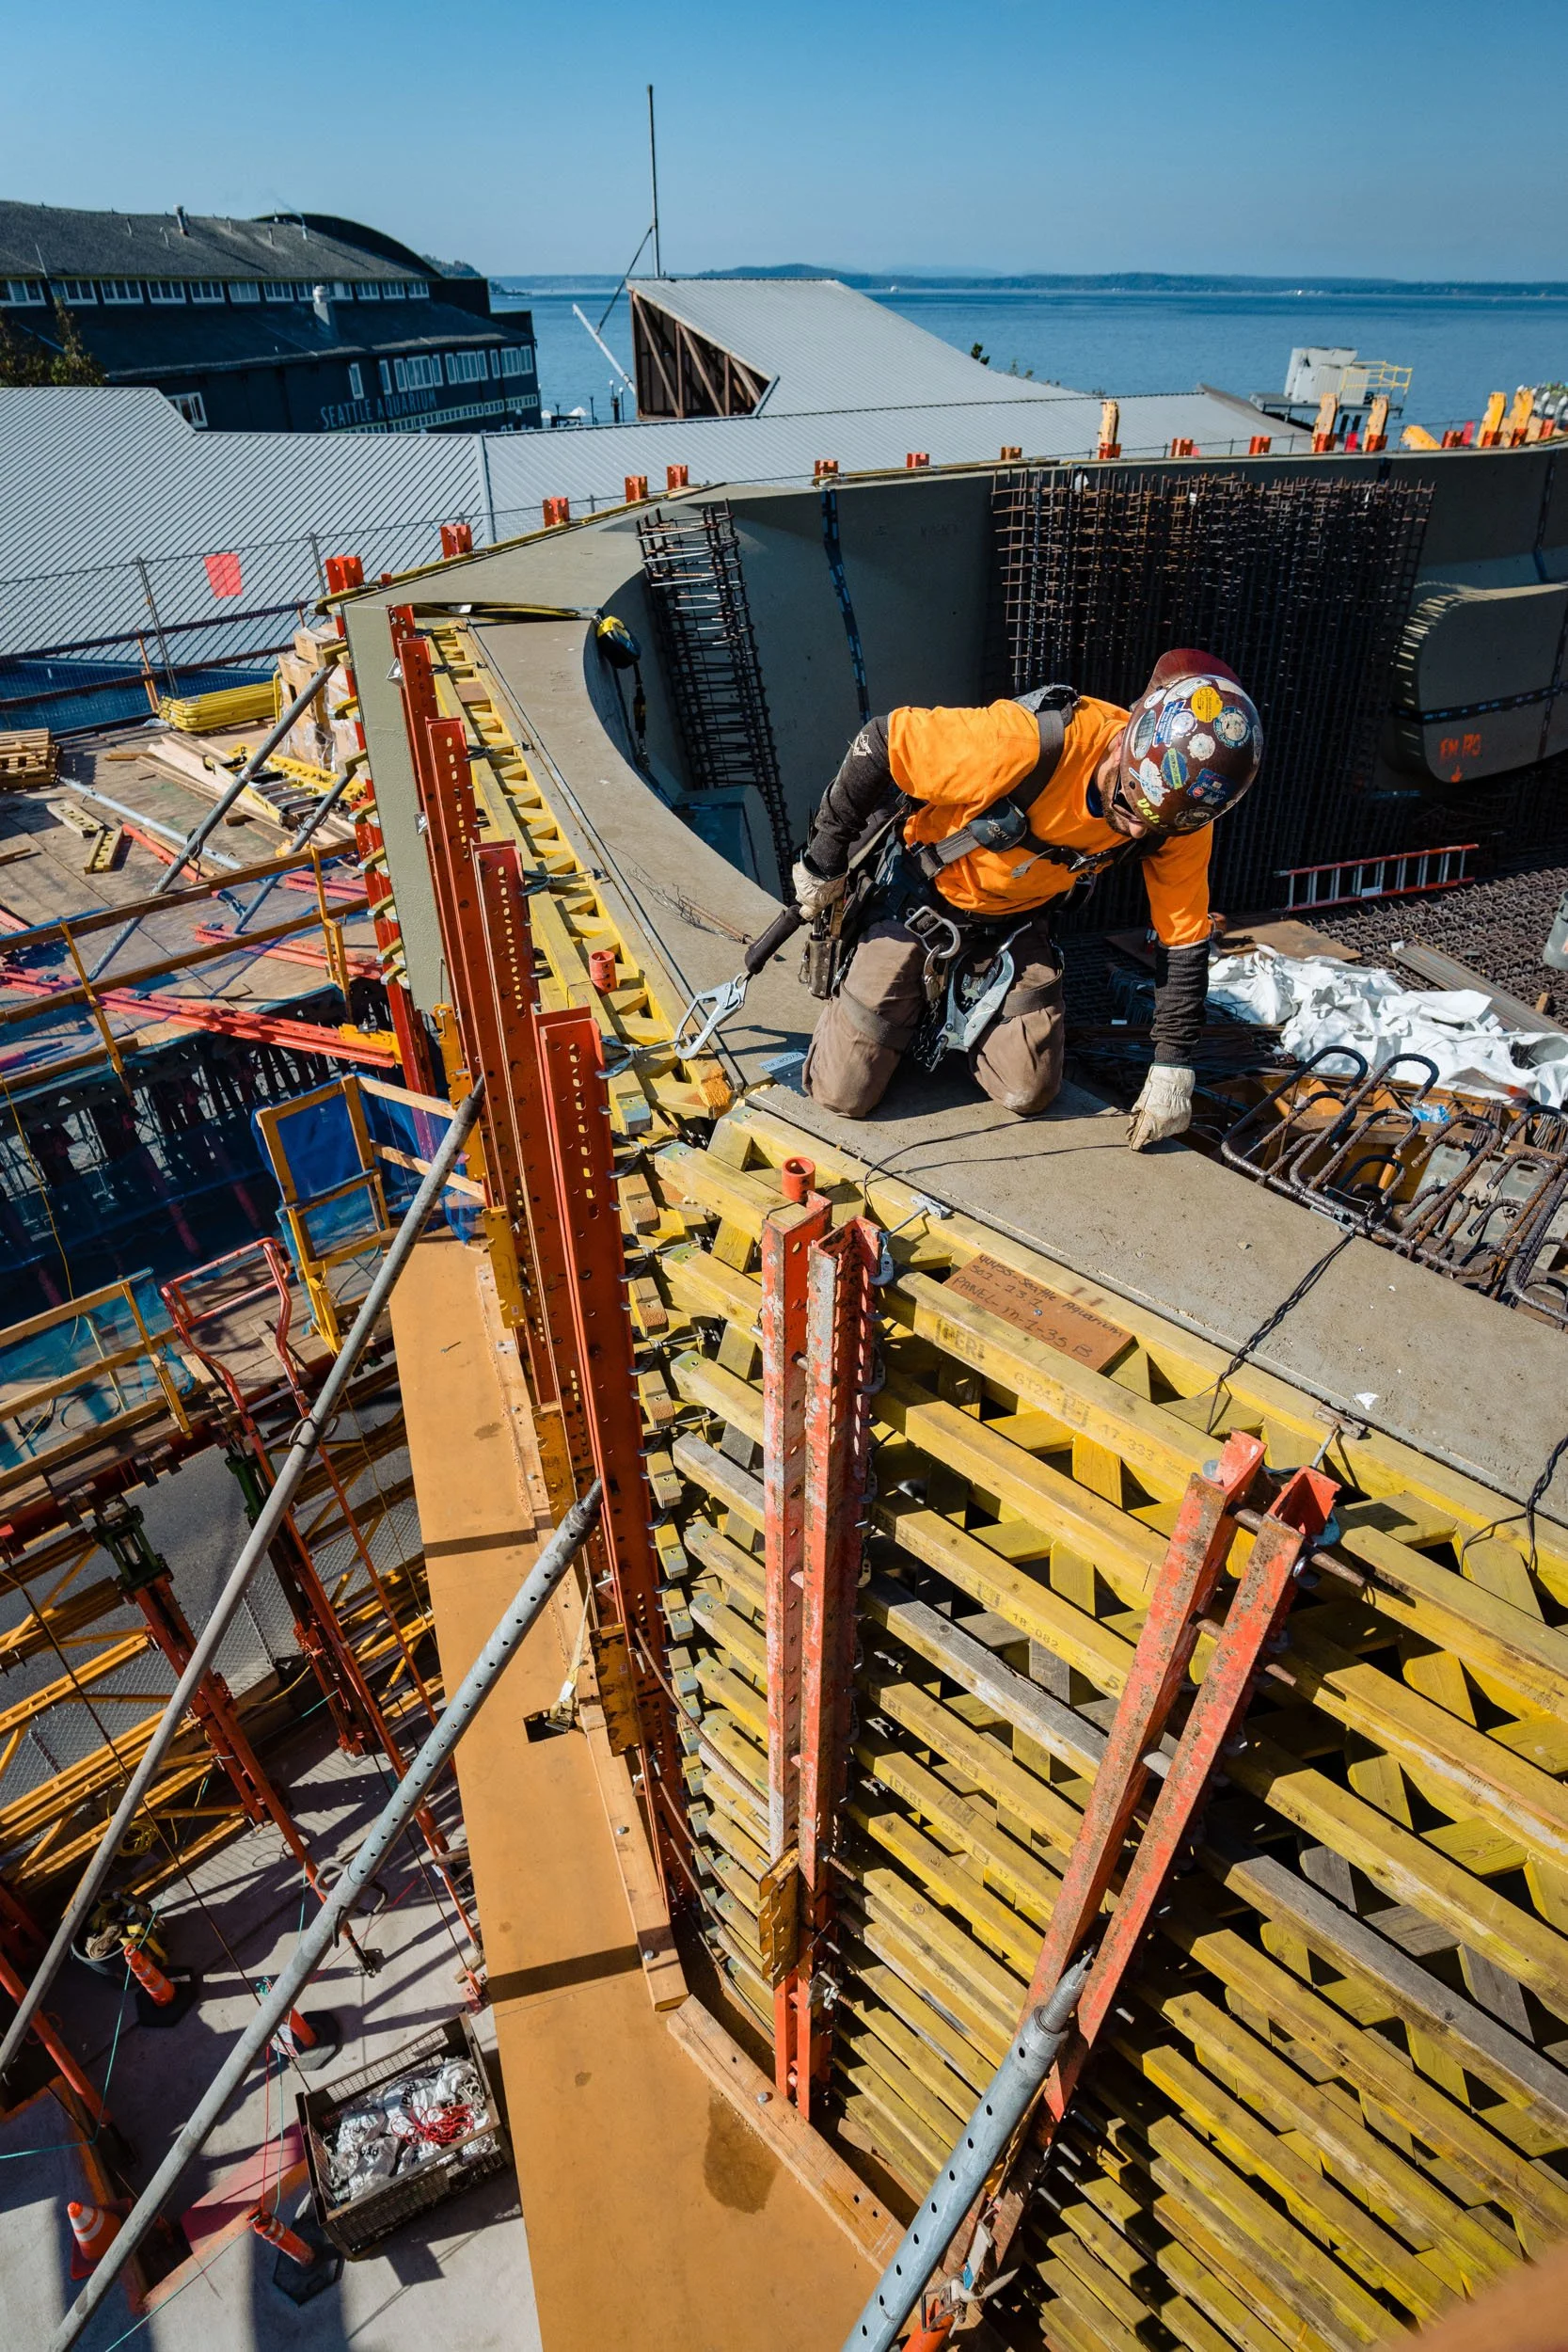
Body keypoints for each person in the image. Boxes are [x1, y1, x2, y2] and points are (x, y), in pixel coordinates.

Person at [792, 650, 1262, 1148]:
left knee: (1029, 1089)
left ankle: (949, 1010)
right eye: (1126, 806)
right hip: (921, 905)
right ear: (1126, 741)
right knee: (844, 1093)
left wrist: (1172, 1063)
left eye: (1155, 824)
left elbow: (1183, 942)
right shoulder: (1022, 743)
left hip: (1013, 925)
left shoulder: (1179, 810)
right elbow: (882, 741)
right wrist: (824, 859)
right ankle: (895, 999)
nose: (1137, 828)